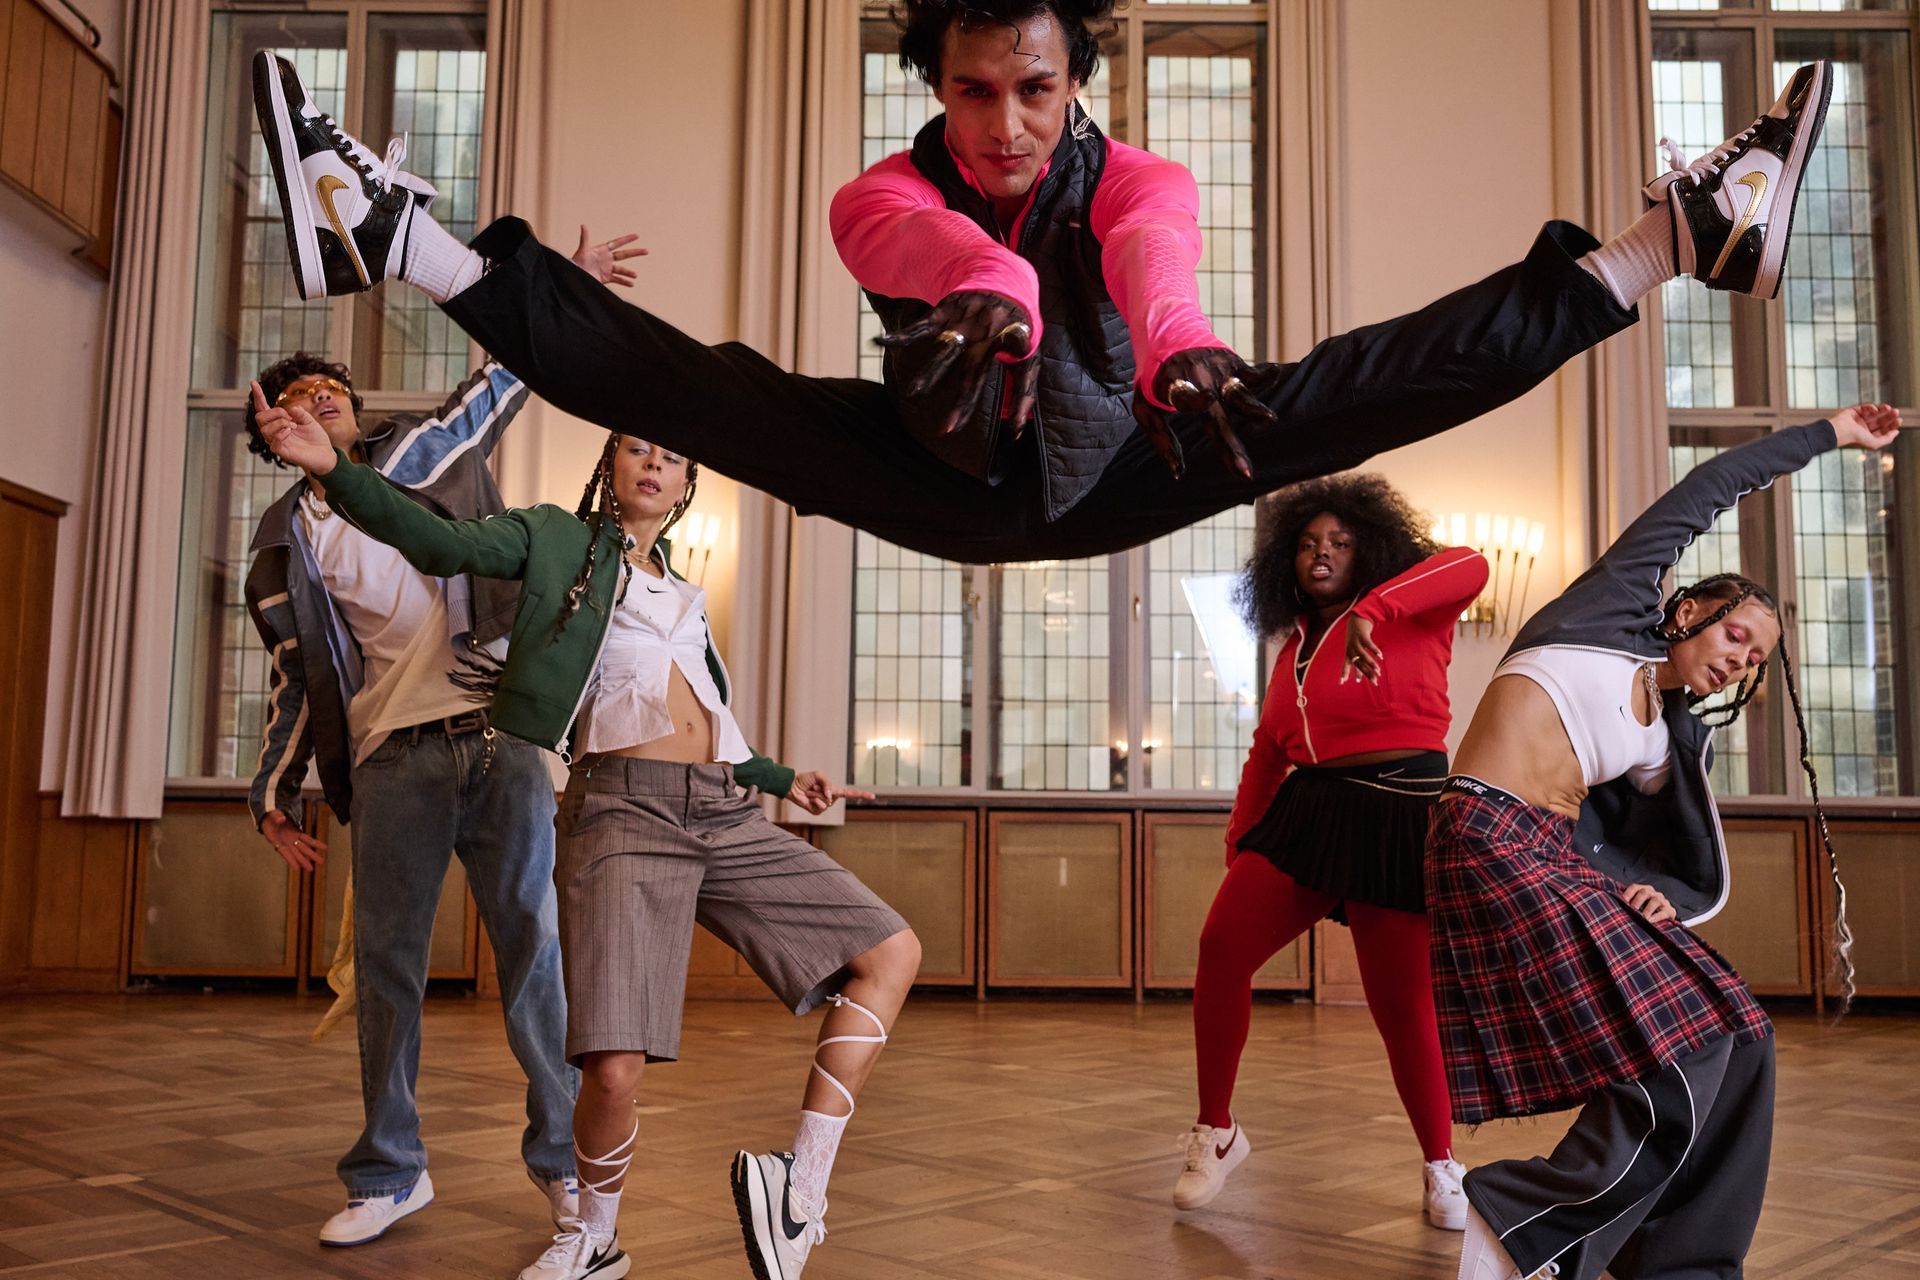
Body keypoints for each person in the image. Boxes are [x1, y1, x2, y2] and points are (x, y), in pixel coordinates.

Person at [247, 5, 1833, 563]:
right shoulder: (885, 186)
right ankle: (396, 238)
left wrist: (1193, 358)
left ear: (1079, 78)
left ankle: (1674, 244)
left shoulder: (1140, 175)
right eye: (972, 92)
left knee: (1352, 384)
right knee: (706, 390)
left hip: (1140, 450)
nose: (1004, 127)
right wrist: (990, 293)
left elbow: (1157, 265)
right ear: (934, 82)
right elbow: (924, 246)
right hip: (938, 463)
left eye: (1035, 91)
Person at [252, 395, 923, 1280]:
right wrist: (334, 472)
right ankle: (592, 1239)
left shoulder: (685, 589)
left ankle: (800, 1192)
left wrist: (777, 777)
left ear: (686, 485)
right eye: (638, 447)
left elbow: (707, 712)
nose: (655, 462)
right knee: (610, 1069)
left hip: (719, 806)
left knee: (890, 951)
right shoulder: (552, 541)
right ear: (611, 463)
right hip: (623, 812)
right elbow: (439, 543)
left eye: (673, 456)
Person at [242, 233, 640, 1252]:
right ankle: (390, 1170)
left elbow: (498, 381)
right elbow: (296, 682)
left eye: (333, 389)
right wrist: (271, 791)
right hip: (395, 758)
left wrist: (560, 285)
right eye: (300, 397)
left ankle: (565, 1164)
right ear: (270, 431)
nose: (322, 399)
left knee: (534, 956)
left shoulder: (420, 455)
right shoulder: (285, 550)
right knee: (387, 967)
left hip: (499, 737)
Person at [1436, 404, 1897, 1280]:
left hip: (1550, 861)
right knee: (1686, 1040)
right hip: (1487, 833)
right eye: (1735, 634)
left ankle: (1681, 1265)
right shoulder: (1603, 615)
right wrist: (1831, 433)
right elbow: (1708, 488)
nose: (1741, 660)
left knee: (1744, 1029)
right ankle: (1522, 1230)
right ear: (1687, 607)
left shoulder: (1665, 738)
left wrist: (1656, 897)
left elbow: (1654, 854)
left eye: (1757, 657)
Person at [1176, 475, 1484, 1230]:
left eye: (1341, 543)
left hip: (1400, 808)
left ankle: (1442, 1168)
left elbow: (1472, 561)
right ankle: (1217, 1131)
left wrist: (1375, 610)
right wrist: (1238, 841)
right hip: (1310, 809)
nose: (1322, 554)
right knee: (1222, 947)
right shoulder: (1295, 651)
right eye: (1309, 543)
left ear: (1370, 551)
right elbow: (1266, 753)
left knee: (1398, 1003)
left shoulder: (1415, 612)